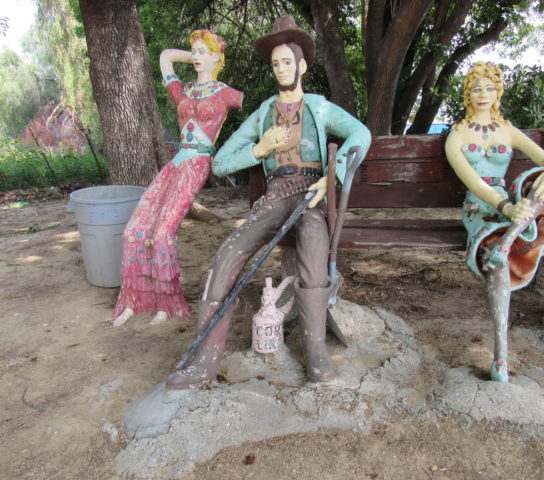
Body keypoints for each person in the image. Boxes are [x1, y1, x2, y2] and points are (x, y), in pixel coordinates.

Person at [165, 15, 371, 390]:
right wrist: (262, 148)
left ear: (302, 65)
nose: (280, 69)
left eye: (287, 62)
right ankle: (204, 361)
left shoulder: (320, 108)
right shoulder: (262, 114)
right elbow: (222, 161)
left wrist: (331, 177)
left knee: (312, 242)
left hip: (311, 197)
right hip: (274, 197)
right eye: (275, 63)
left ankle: (314, 349)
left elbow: (361, 132)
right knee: (228, 253)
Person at [444, 61, 544, 383]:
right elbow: (474, 183)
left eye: (490, 87)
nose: (484, 94)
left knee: (541, 182)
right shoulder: (457, 136)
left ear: (498, 92)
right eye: (477, 88)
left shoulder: (507, 130)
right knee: (497, 262)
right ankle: (500, 355)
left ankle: (510, 238)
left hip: (513, 206)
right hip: (481, 207)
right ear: (467, 94)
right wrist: (505, 206)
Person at [112, 30, 243, 327]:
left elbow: (254, 116)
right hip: (176, 162)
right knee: (135, 229)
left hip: (198, 163)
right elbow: (165, 58)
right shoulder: (183, 91)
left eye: (202, 52)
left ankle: (167, 302)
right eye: (193, 51)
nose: (196, 56)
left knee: (162, 233)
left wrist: (215, 52)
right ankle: (136, 299)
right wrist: (197, 53)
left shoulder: (227, 93)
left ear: (216, 55)